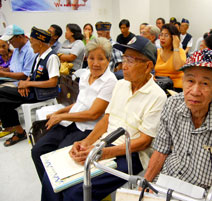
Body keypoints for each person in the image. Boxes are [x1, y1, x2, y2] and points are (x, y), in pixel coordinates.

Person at [40, 36, 167, 201]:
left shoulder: (158, 96)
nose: (123, 66)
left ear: (148, 66)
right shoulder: (121, 85)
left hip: (131, 154)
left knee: (75, 192)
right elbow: (106, 119)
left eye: (130, 60)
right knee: (53, 177)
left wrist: (103, 153)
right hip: (105, 142)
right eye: (123, 59)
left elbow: (144, 141)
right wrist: (87, 142)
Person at [144, 49, 212, 199]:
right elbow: (161, 150)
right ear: (182, 81)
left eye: (205, 83)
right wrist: (145, 185)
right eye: (190, 81)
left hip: (206, 189)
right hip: (169, 178)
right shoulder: (172, 104)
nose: (195, 91)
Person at [31, 37, 117, 182]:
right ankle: (50, 187)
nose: (95, 64)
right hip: (70, 122)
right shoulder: (85, 75)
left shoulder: (110, 81)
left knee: (60, 160)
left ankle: (56, 189)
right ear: (86, 58)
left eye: (101, 59)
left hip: (86, 129)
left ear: (108, 60)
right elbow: (79, 103)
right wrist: (58, 113)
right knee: (38, 151)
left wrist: (62, 117)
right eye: (91, 58)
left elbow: (93, 114)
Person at [0, 27, 60, 146]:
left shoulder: (52, 57)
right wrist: (24, 84)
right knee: (3, 101)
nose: (31, 45)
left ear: (41, 43)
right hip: (33, 90)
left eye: (32, 42)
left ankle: (18, 131)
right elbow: (31, 75)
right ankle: (19, 131)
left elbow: (53, 82)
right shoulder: (39, 56)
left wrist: (28, 83)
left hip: (42, 93)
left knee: (1, 94)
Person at [155, 23, 186, 92]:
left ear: (173, 38)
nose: (162, 38)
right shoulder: (156, 52)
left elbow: (178, 67)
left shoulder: (180, 52)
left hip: (176, 88)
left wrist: (176, 47)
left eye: (166, 35)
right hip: (159, 87)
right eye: (161, 35)